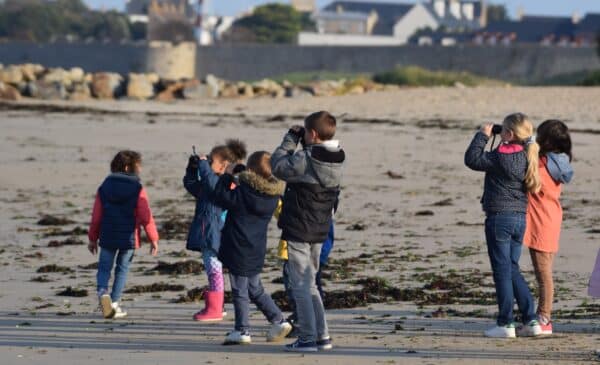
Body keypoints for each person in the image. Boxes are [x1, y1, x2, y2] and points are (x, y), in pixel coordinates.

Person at [198, 151, 292, 345]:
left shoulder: (241, 194)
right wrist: (240, 176)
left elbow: (219, 194)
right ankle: (278, 320)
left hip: (238, 249)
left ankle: (242, 330)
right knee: (255, 288)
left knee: (240, 290)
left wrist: (226, 175)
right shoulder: (272, 197)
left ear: (250, 171)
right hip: (256, 250)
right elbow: (252, 189)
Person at [271, 111, 346, 352]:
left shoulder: (306, 157)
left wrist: (290, 139)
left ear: (312, 133)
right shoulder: (336, 158)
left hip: (299, 227)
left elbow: (278, 166)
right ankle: (321, 336)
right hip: (320, 228)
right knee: (310, 282)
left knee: (300, 286)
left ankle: (307, 338)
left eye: (305, 131)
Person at [464, 113, 542, 338]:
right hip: (519, 218)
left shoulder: (500, 155)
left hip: (499, 218)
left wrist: (483, 136)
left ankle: (506, 323)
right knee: (512, 268)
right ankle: (531, 320)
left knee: (502, 271)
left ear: (508, 134)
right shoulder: (530, 154)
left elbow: (472, 159)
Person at [88, 150, 159, 319]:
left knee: (104, 267)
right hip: (128, 237)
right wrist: (153, 238)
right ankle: (114, 303)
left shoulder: (104, 187)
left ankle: (103, 293)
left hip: (107, 236)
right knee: (122, 269)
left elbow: (96, 216)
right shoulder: (137, 188)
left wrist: (92, 238)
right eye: (138, 167)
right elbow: (145, 215)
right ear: (128, 167)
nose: (139, 170)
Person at [523, 120, 573, 335]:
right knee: (544, 271)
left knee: (543, 274)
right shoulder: (560, 162)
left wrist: (527, 149)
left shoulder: (542, 164)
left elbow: (529, 180)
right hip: (552, 218)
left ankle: (544, 317)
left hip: (540, 222)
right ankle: (542, 315)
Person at [184, 142, 239, 322]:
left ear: (223, 166)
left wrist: (203, 165)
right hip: (208, 233)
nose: (207, 163)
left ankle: (215, 309)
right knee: (212, 270)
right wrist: (192, 168)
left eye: (211, 161)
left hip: (216, 234)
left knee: (215, 270)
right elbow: (192, 184)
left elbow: (210, 180)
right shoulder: (209, 185)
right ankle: (218, 306)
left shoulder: (224, 184)